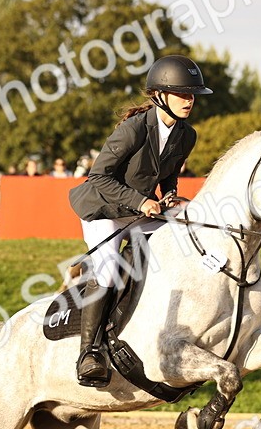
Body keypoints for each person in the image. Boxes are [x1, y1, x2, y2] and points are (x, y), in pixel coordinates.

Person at [67, 54, 210, 386]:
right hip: (102, 210)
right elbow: (98, 177)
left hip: (136, 212)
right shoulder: (133, 130)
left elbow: (169, 175)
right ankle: (89, 353)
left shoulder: (187, 135)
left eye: (192, 96)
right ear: (160, 95)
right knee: (106, 266)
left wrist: (171, 195)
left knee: (177, 241)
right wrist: (141, 200)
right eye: (183, 95)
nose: (190, 101)